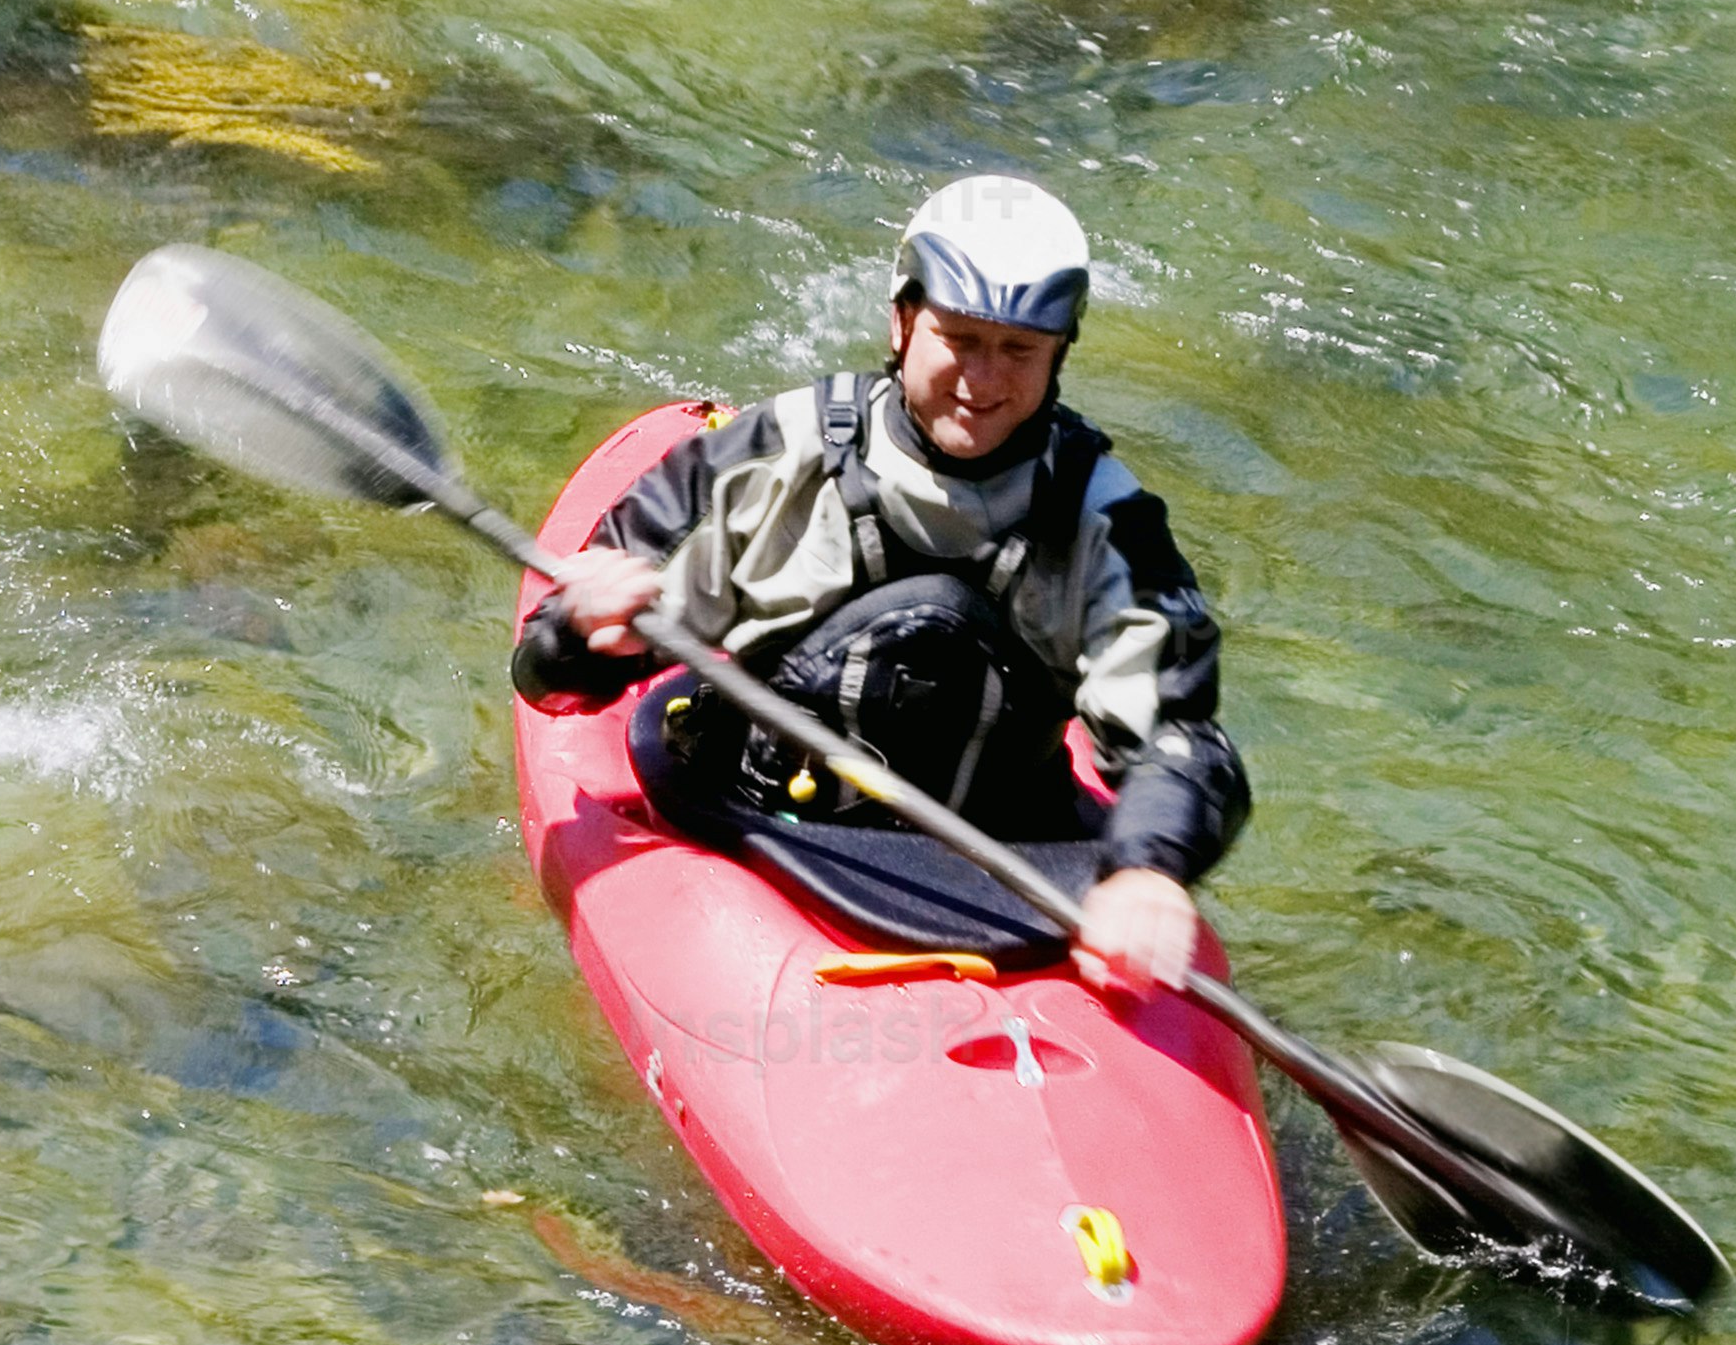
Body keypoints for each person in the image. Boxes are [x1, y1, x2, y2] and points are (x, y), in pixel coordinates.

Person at [509, 179, 1246, 1002]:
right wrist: (583, 629)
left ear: (1061, 351)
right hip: (767, 825)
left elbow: (1184, 742)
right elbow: (546, 673)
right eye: (959, 339)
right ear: (901, 323)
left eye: (1019, 351)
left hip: (998, 855)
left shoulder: (1104, 519)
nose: (984, 380)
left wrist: (1149, 864)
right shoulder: (773, 456)